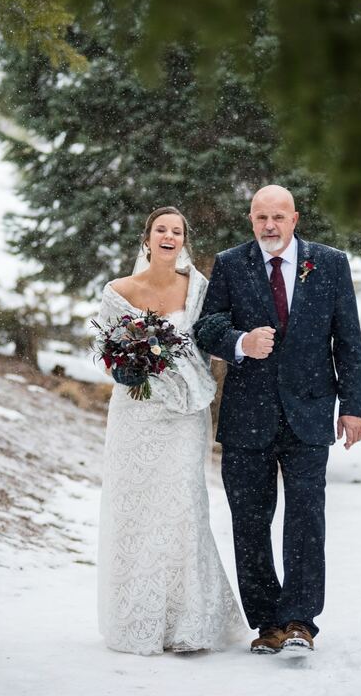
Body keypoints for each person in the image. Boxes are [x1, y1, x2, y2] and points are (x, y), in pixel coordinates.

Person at [194, 185, 361, 655]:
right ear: (250, 220)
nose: (269, 226)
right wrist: (240, 342)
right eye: (260, 218)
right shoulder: (231, 263)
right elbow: (206, 326)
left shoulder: (330, 264)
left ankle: (300, 622)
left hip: (310, 413)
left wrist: (353, 406)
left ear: (295, 218)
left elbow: (347, 339)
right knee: (249, 521)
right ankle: (267, 623)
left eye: (278, 217)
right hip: (247, 415)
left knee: (306, 519)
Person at [96, 206, 243, 655]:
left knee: (182, 507)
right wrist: (131, 366)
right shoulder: (118, 292)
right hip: (135, 416)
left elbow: (204, 346)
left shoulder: (197, 288)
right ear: (147, 238)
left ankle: (187, 621)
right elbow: (107, 350)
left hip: (183, 412)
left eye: (177, 231)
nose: (169, 236)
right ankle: (138, 617)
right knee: (136, 509)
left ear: (183, 241)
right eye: (161, 229)